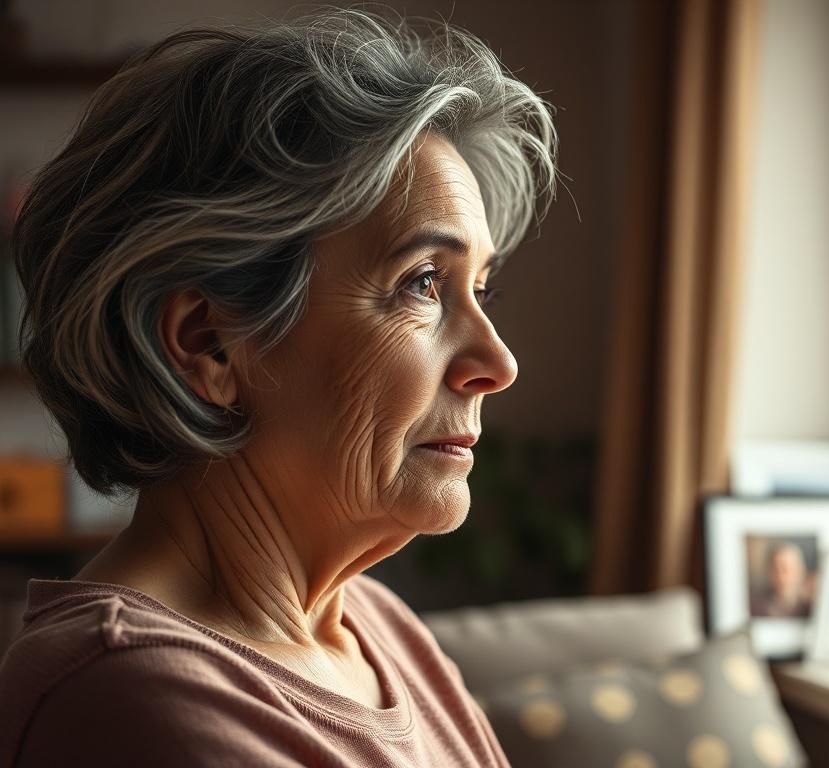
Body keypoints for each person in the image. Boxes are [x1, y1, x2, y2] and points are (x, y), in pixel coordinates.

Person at [0, 8, 557, 767]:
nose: (497, 362)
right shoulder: (127, 692)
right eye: (423, 283)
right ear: (207, 344)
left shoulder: (379, 630)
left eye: (479, 290)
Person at [749, 542, 814, 618]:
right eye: (775, 569)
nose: (780, 576)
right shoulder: (755, 606)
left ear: (800, 571)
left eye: (786, 569)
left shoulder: (811, 606)